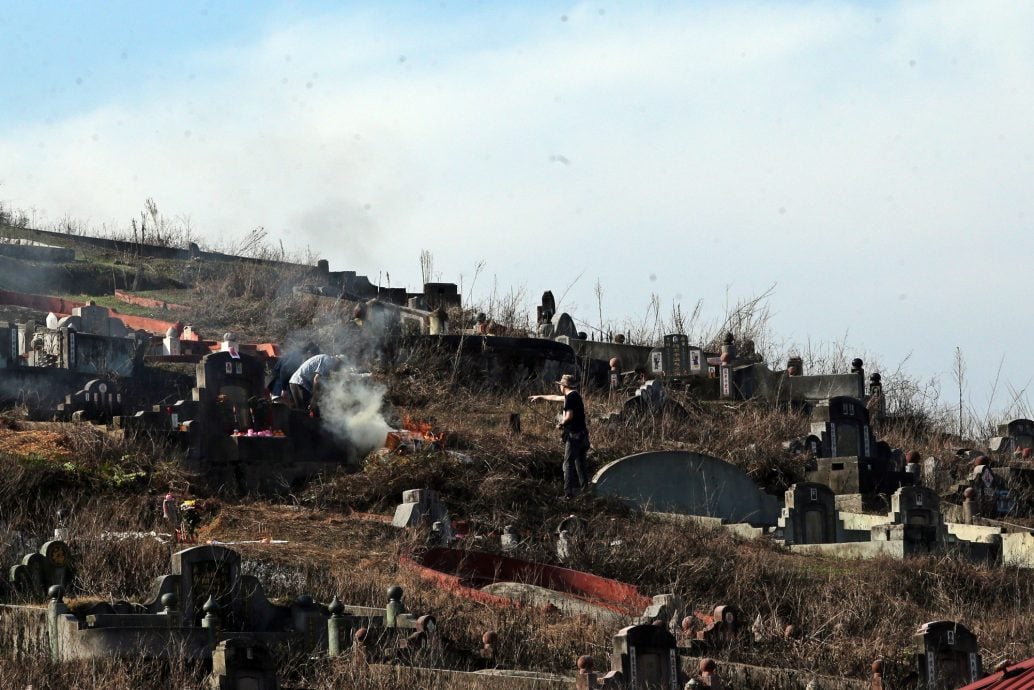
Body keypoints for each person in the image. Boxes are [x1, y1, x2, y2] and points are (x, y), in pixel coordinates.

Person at [529, 373, 590, 499]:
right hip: (583, 436)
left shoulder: (570, 398)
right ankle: (586, 492)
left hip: (574, 437)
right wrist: (540, 396)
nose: (559, 388)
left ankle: (568, 494)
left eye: (560, 386)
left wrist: (561, 424)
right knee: (581, 464)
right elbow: (555, 397)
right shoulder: (575, 395)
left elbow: (569, 416)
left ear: (563, 386)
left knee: (567, 464)